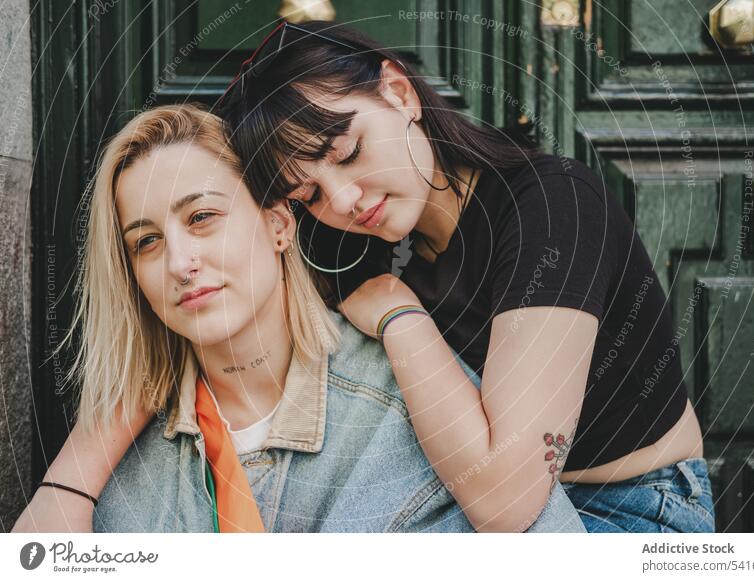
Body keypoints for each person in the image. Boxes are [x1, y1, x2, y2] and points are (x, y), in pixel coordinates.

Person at [217, 20, 715, 533]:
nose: (343, 199)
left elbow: (507, 501)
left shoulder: (552, 208)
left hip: (630, 509)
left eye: (349, 153)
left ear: (398, 92)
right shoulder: (344, 242)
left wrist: (399, 315)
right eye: (309, 196)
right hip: (447, 505)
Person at [13, 104, 583, 533]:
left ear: (279, 225)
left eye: (204, 216)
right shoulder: (123, 472)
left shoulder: (413, 407)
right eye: (146, 242)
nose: (181, 263)